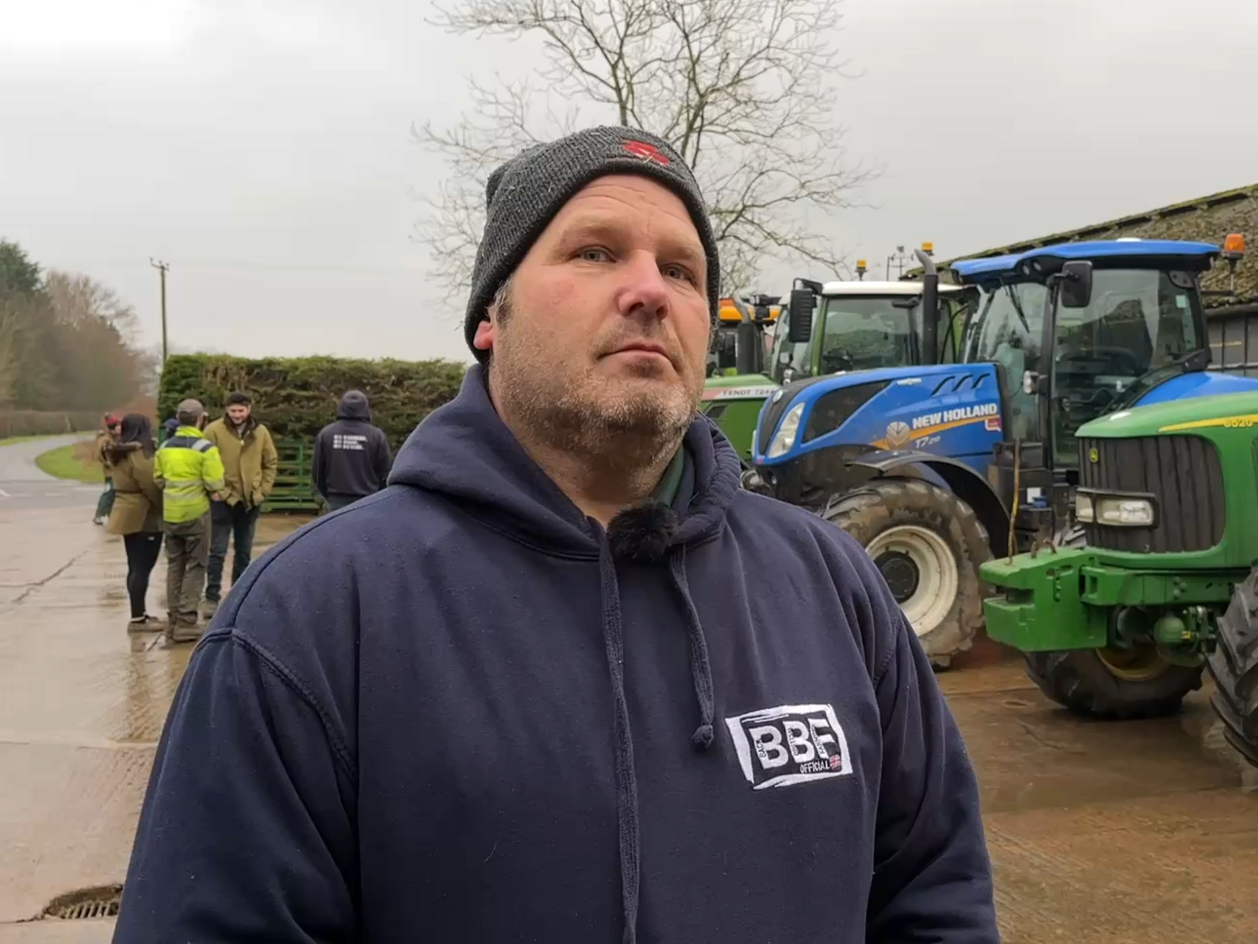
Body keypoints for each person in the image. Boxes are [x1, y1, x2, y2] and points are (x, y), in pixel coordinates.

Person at [114, 127, 997, 944]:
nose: (651, 289)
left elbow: (936, 893)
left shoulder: (833, 587)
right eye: (595, 252)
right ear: (490, 317)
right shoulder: (309, 619)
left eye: (684, 272)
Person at [152, 398, 225, 642]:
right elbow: (216, 485)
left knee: (175, 565)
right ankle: (186, 621)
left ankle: (172, 619)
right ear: (200, 419)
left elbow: (159, 478)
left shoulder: (164, 447)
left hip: (171, 514)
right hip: (196, 514)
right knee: (196, 566)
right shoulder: (205, 449)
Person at [201, 391, 278, 608]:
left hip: (250, 501)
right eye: (233, 410)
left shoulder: (260, 432)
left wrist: (262, 490)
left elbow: (270, 462)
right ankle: (211, 597)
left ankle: (239, 595)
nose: (237, 415)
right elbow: (204, 463)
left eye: (240, 410)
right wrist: (217, 491)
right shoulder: (213, 431)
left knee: (244, 551)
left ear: (249, 409)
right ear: (226, 409)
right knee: (217, 550)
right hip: (222, 499)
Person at [104, 414, 165, 629]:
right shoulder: (139, 453)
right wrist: (163, 506)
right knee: (142, 567)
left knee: (135, 566)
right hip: (143, 514)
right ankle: (138, 618)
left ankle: (139, 613)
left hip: (126, 511)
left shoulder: (119, 450)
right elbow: (150, 484)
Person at [311, 389, 392, 511]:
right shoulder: (376, 436)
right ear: (365, 408)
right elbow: (386, 472)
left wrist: (327, 498)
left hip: (335, 503)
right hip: (368, 502)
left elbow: (317, 472)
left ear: (341, 406)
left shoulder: (326, 434)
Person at [92, 412, 121, 525]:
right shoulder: (106, 441)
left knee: (113, 493)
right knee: (109, 493)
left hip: (113, 471)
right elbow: (105, 456)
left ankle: (109, 514)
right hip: (110, 472)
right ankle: (100, 515)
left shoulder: (111, 438)